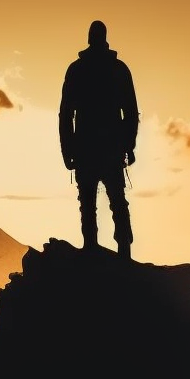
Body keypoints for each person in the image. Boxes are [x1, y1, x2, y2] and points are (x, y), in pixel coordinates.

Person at [58, 20, 139, 259]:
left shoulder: (76, 70)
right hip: (112, 148)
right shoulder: (119, 69)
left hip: (85, 149)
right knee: (117, 201)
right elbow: (131, 112)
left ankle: (91, 249)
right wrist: (128, 146)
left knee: (88, 205)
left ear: (89, 38)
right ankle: (124, 252)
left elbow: (65, 115)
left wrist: (67, 150)